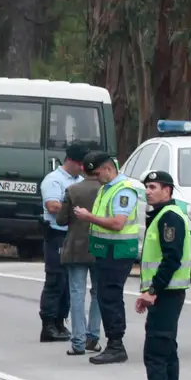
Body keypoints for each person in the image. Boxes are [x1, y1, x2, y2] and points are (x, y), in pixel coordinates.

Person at [128, 169, 190, 380]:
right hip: (166, 293)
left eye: (153, 186)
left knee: (156, 353)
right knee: (166, 352)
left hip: (166, 294)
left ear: (168, 190)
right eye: (147, 187)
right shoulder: (163, 216)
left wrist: (152, 291)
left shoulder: (169, 218)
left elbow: (171, 259)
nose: (148, 191)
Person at [74, 151, 143, 365]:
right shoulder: (106, 188)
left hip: (118, 251)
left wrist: (88, 216)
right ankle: (113, 343)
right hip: (105, 250)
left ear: (108, 168)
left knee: (110, 297)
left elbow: (117, 223)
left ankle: (116, 345)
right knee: (104, 296)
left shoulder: (124, 191)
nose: (95, 178)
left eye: (96, 173)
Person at [38, 144, 86, 342]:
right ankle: (48, 324)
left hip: (75, 235)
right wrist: (75, 208)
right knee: (56, 279)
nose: (84, 168)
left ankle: (60, 321)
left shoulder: (81, 180)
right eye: (81, 164)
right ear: (72, 161)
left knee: (69, 282)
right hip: (57, 234)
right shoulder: (54, 180)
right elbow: (52, 206)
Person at [62, 155, 106, 356]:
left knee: (77, 294)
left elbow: (62, 219)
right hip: (100, 246)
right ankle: (93, 337)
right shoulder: (106, 191)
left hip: (76, 247)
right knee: (98, 294)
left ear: (83, 169)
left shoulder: (72, 190)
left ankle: (77, 342)